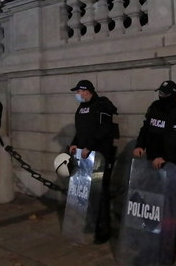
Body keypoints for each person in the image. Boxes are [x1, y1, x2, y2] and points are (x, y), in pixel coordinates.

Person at [132, 80, 176, 262]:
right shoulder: (154, 108)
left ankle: (169, 254)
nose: (161, 96)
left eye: (165, 94)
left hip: (175, 172)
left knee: (174, 213)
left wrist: (167, 159)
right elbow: (145, 129)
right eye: (160, 92)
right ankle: (153, 248)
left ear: (173, 95)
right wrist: (140, 145)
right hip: (153, 171)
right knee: (153, 210)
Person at [69, 79, 118, 244]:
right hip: (85, 157)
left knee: (101, 193)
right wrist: (75, 143)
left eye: (78, 92)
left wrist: (89, 146)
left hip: (100, 156)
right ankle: (90, 224)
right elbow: (82, 131)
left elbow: (104, 130)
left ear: (86, 91)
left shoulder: (101, 105)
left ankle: (103, 230)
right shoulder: (82, 107)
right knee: (87, 192)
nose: (77, 95)